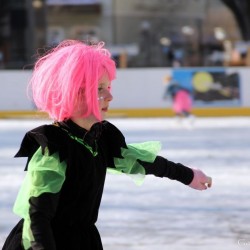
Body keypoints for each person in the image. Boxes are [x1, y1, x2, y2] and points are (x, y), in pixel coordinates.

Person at [3, 40, 212, 250]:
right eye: (100, 89)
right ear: (73, 93)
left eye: (108, 87)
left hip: (83, 241)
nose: (110, 96)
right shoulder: (54, 147)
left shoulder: (101, 138)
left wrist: (187, 175)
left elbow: (140, 161)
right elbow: (37, 216)